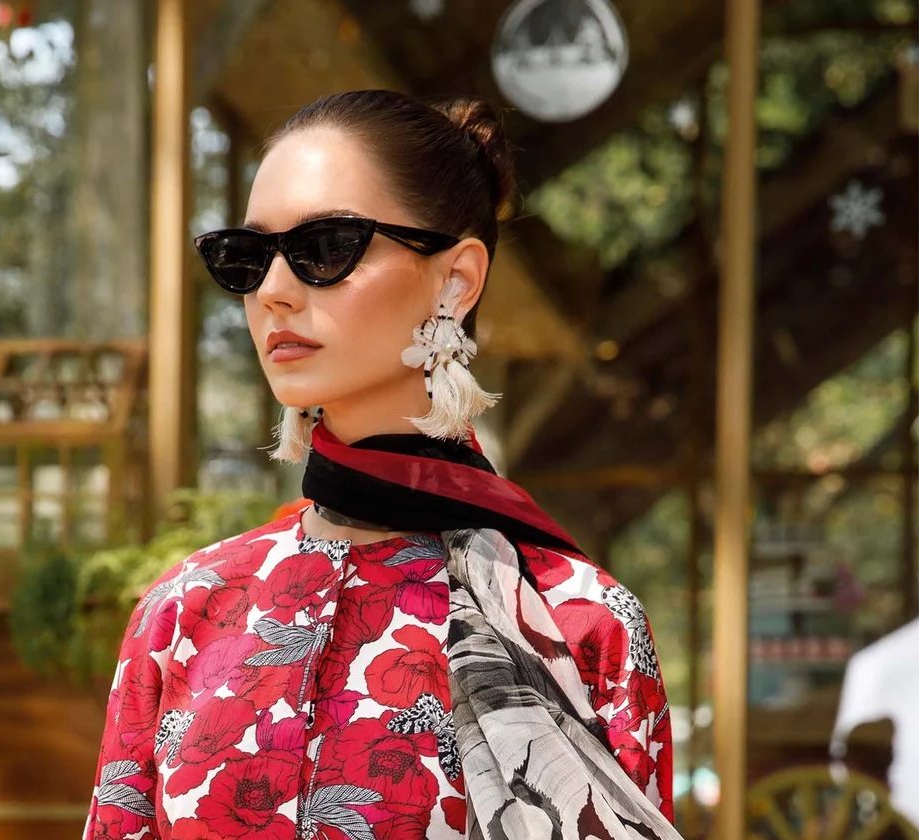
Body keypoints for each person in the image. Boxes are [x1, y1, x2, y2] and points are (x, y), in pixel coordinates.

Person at [83, 89, 680, 839]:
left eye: (326, 247)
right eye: (248, 258)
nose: (273, 292)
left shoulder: (581, 622)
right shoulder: (185, 612)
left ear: (456, 279)